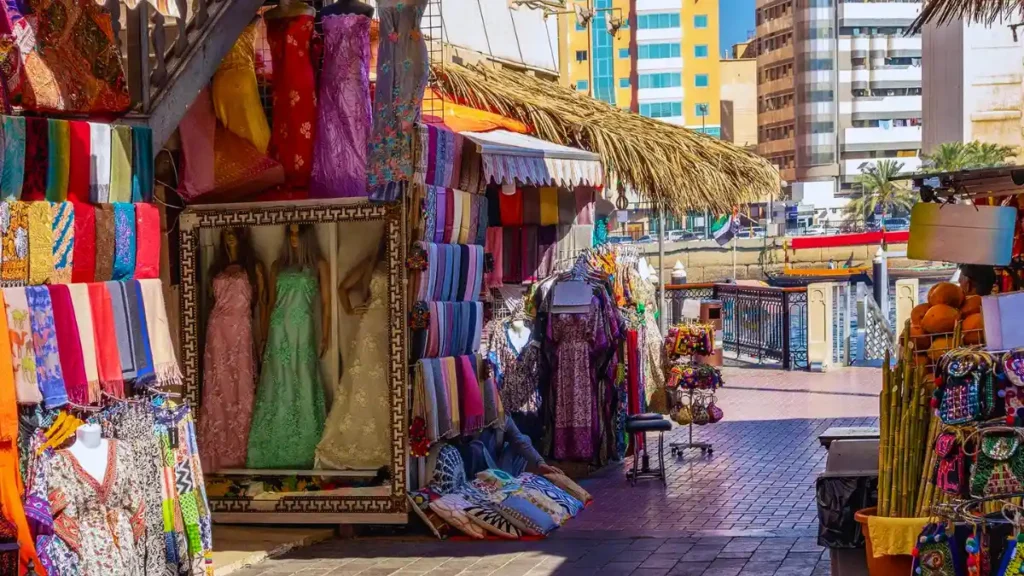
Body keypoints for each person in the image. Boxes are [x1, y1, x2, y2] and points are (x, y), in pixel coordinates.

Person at [457, 414, 564, 479]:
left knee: (524, 439)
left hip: (499, 469)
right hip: (482, 472)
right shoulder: (472, 418)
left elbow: (520, 441)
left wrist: (540, 463)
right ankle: (491, 484)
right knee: (476, 447)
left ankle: (507, 481)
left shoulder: (503, 417)